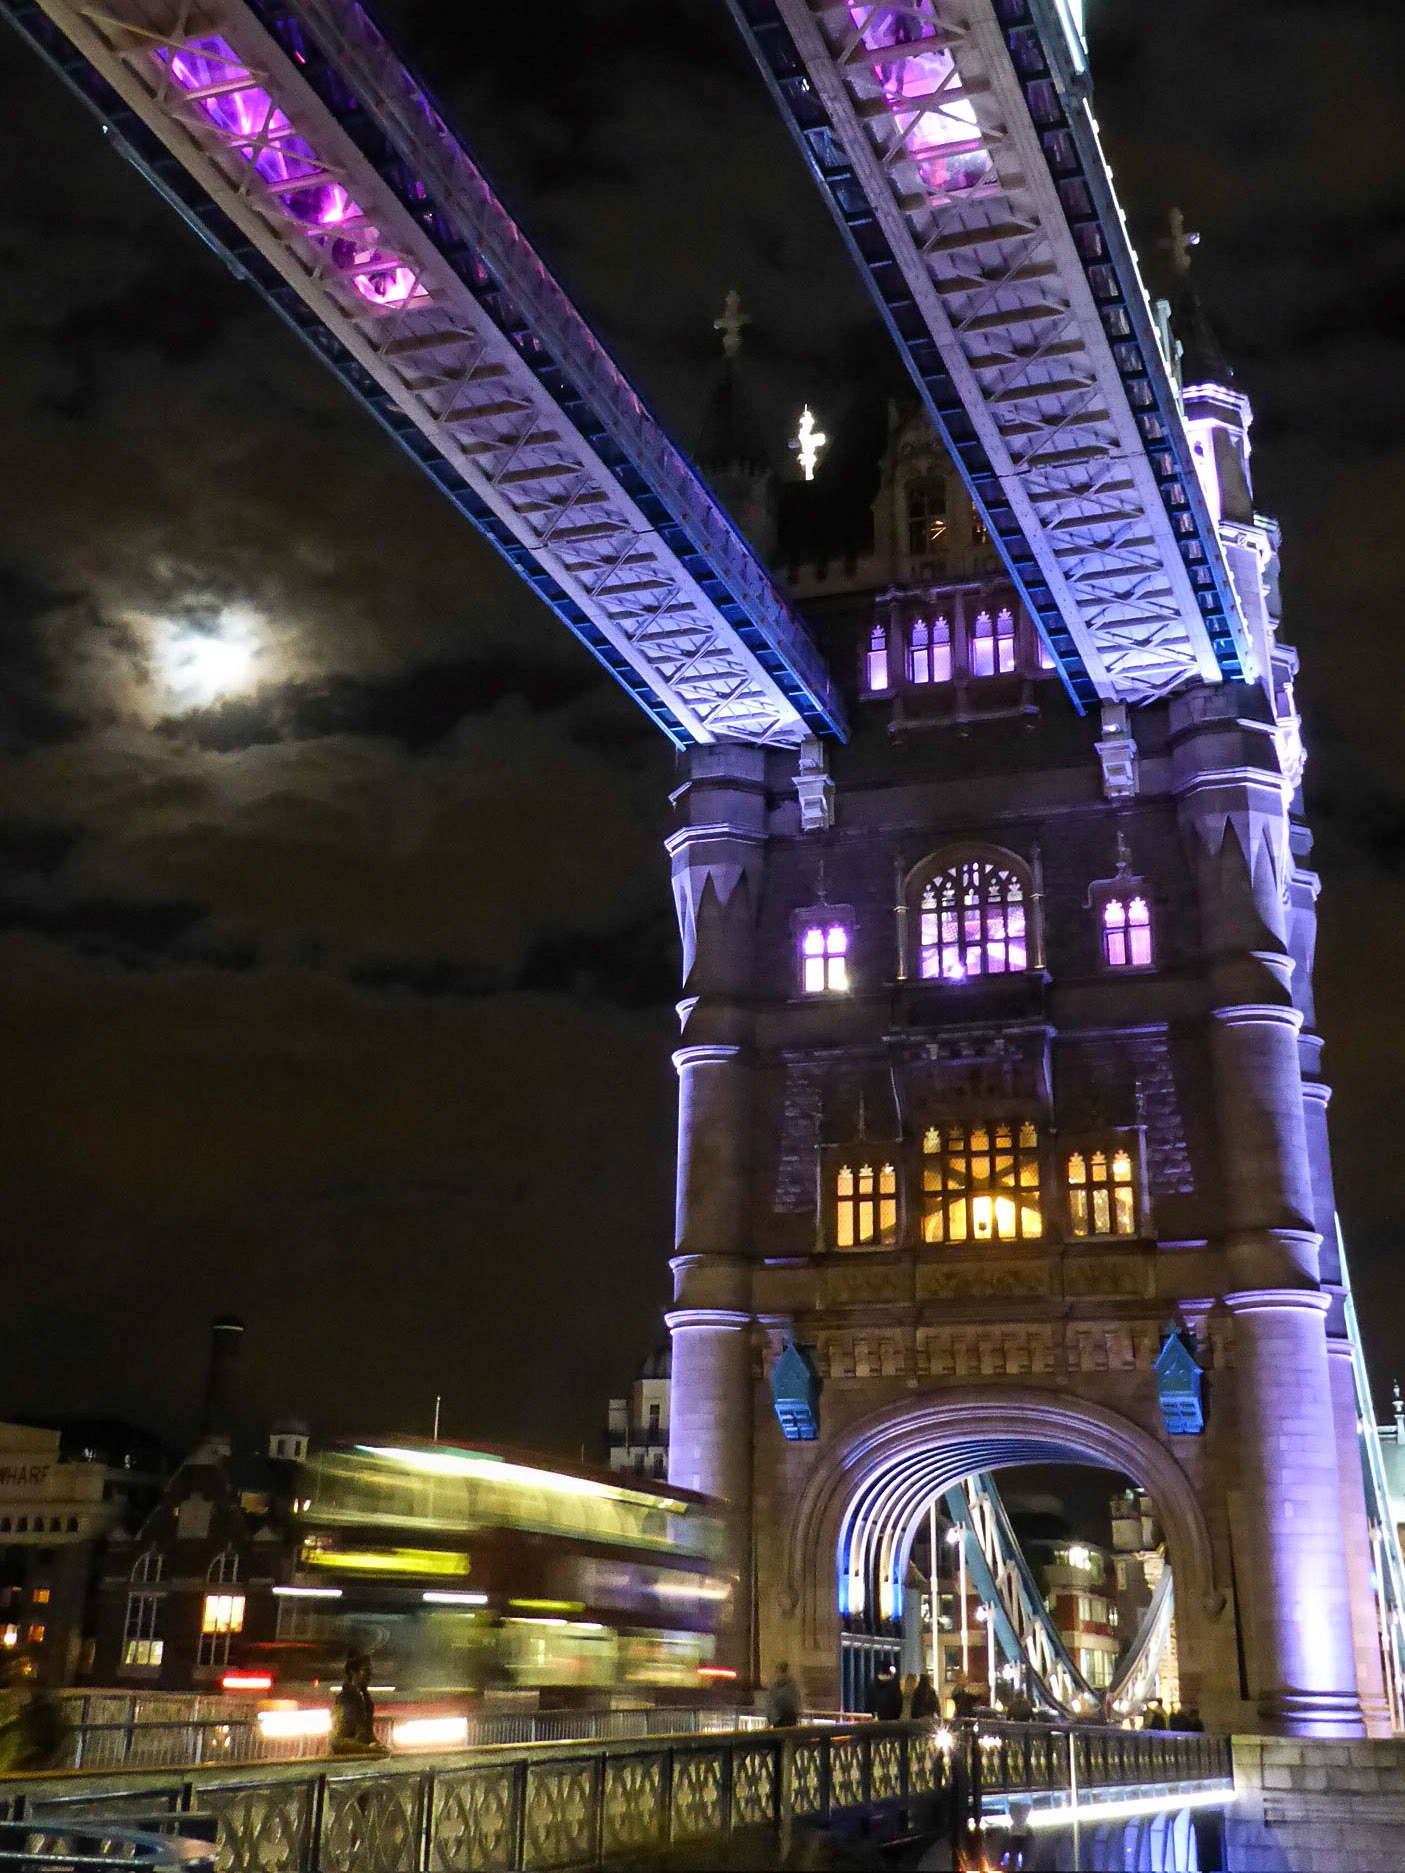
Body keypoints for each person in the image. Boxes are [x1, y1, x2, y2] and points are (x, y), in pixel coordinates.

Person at [0, 1654, 70, 1773]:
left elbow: (51, 1749)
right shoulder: (25, 1711)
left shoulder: (42, 1713)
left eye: (17, 1683)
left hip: (30, 1775)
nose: (14, 1689)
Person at [330, 1650, 388, 1757]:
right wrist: (368, 1749)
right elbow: (338, 1742)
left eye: (370, 1672)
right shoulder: (346, 1700)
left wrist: (380, 1747)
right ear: (353, 1673)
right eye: (366, 1671)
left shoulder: (365, 1700)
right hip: (347, 1762)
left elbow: (366, 1735)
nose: (370, 1676)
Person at [764, 1660, 801, 1728]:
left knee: (780, 1733)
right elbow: (796, 1701)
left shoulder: (774, 1684)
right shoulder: (792, 1683)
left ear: (779, 1669)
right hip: (791, 1716)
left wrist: (770, 1719)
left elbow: (770, 1702)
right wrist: (797, 1714)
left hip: (778, 1718)